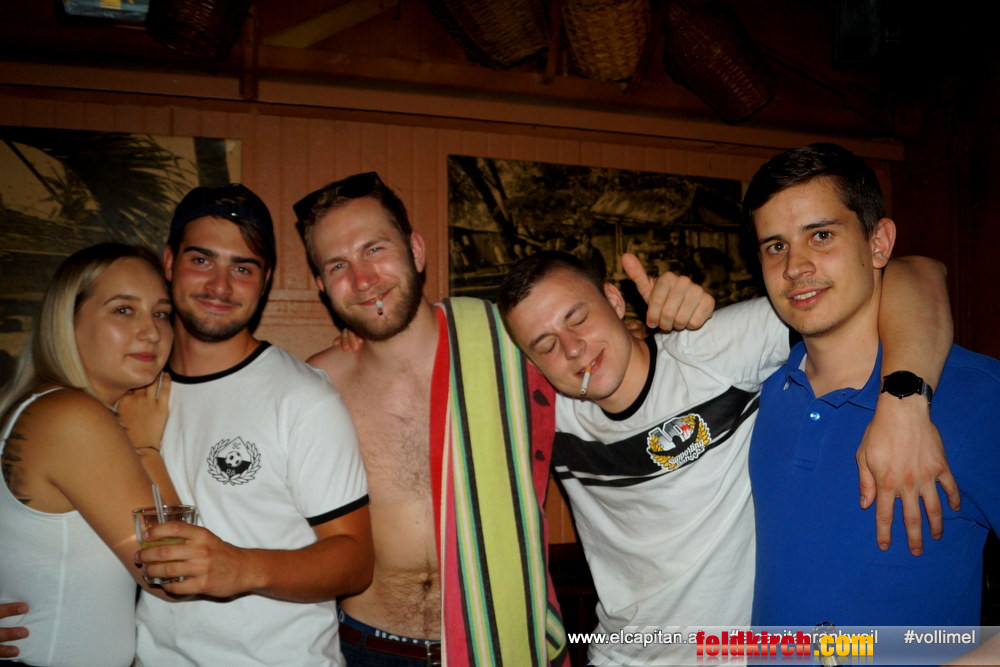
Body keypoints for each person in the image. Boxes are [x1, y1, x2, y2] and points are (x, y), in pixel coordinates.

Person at [495, 246, 955, 665]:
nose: (572, 349)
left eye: (578, 318)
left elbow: (916, 271)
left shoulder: (710, 349)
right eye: (546, 344)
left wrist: (905, 405)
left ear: (614, 301)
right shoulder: (549, 416)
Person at [296, 172, 567, 665]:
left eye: (375, 249)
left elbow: (610, 371)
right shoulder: (317, 385)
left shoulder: (508, 344)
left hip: (499, 636)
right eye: (338, 265)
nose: (362, 279)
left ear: (416, 251)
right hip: (368, 648)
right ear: (321, 286)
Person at [745, 144, 999, 633]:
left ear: (879, 243)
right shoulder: (763, 392)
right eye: (775, 246)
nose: (795, 266)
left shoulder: (977, 397)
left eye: (821, 235)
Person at [134, 184, 372, 666]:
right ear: (169, 262)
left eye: (242, 268)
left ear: (265, 282)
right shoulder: (130, 393)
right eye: (202, 260)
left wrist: (242, 567)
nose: (220, 286)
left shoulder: (302, 398)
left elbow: (354, 561)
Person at [0, 242, 178, 666]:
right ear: (68, 320)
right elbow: (173, 573)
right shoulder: (71, 417)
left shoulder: (39, 408)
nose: (151, 331)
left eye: (161, 313)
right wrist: (147, 449)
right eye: (123, 309)